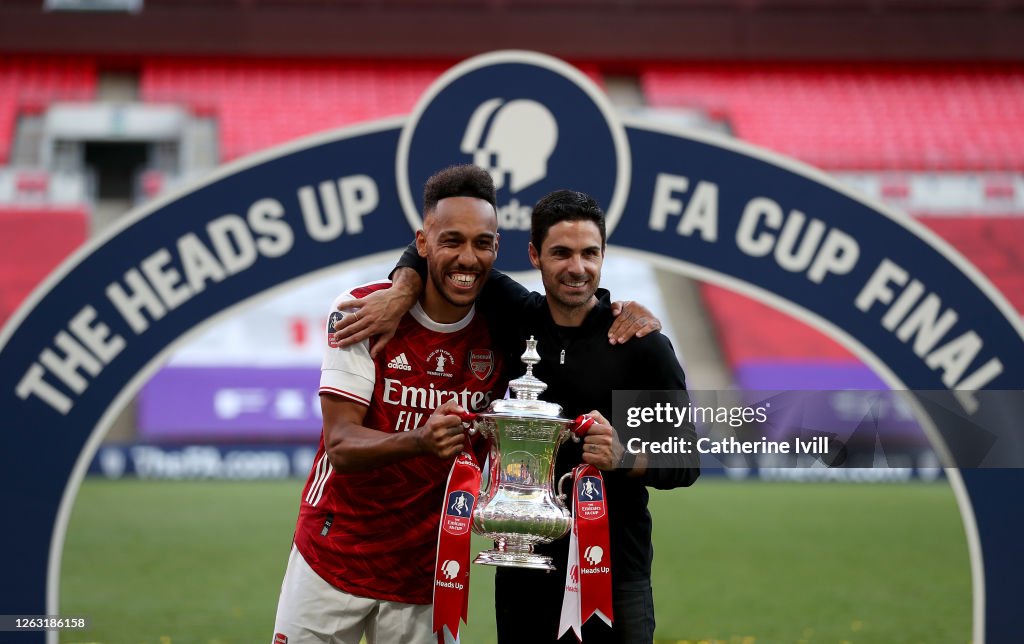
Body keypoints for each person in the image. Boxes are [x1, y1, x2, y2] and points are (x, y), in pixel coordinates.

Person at [338, 190, 700, 644]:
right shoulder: (513, 314)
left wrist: (624, 457)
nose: (577, 267)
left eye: (590, 253)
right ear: (534, 255)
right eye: (561, 253)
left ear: (603, 256)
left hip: (610, 574)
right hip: (521, 565)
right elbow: (431, 249)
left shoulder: (638, 346)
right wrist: (401, 291)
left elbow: (686, 461)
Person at [271, 164, 507, 644]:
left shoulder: (506, 330)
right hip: (332, 554)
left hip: (428, 570)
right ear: (422, 243)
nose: (468, 258)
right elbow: (340, 444)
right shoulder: (363, 310)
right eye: (452, 241)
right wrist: (421, 440)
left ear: (496, 248)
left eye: (482, 243)